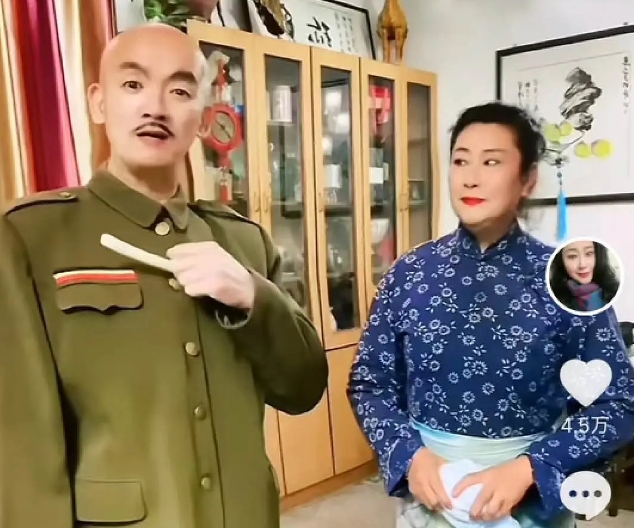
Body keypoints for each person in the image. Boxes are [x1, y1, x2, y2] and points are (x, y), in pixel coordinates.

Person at [0, 23, 327, 528]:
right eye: (133, 84)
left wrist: (252, 296)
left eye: (179, 91)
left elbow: (303, 388)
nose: (155, 107)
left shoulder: (242, 241)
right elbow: (22, 442)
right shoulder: (31, 237)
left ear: (203, 117)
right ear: (98, 103)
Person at [348, 102, 634, 528]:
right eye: (460, 160)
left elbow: (620, 402)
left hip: (527, 501)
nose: (471, 177)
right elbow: (370, 383)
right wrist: (410, 455)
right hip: (431, 492)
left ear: (527, 179)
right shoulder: (409, 273)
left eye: (492, 162)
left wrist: (533, 466)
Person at [549, 239, 620, 313]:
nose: (582, 265)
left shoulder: (612, 290)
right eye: (572, 256)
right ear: (561, 261)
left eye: (589, 253)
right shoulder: (553, 296)